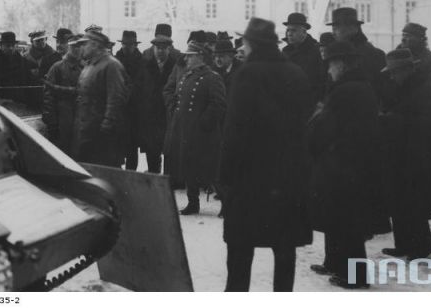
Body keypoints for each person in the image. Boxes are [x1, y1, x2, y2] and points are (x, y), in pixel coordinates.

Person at [220, 17, 313, 292]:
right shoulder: (296, 73)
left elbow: (234, 131)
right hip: (288, 178)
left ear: (252, 44)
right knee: (284, 248)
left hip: (249, 179)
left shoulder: (246, 75)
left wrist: (225, 177)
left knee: (240, 248)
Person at [306, 41, 383, 289]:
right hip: (349, 162)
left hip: (345, 163)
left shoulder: (346, 90)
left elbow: (326, 126)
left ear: (342, 64)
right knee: (337, 216)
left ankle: (355, 275)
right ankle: (334, 263)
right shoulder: (355, 86)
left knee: (347, 220)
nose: (328, 69)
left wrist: (313, 131)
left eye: (331, 64)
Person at [379, 48, 431, 260]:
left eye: (394, 72)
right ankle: (404, 244)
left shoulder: (423, 90)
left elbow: (422, 125)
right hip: (403, 153)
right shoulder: (405, 87)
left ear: (406, 70)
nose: (391, 76)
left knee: (413, 202)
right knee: (399, 199)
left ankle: (419, 247)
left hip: (418, 155)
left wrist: (390, 120)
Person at [164, 41, 226, 215]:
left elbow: (218, 104)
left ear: (200, 57)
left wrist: (204, 123)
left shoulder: (212, 77)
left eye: (190, 56)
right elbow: (177, 97)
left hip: (203, 133)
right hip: (185, 130)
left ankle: (227, 204)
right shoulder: (187, 75)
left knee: (210, 170)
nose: (186, 59)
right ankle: (193, 203)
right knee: (188, 167)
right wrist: (175, 114)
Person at [74, 30, 129, 167]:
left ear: (95, 45)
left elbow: (116, 98)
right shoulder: (89, 65)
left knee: (106, 171)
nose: (81, 48)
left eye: (84, 44)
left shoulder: (111, 65)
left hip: (102, 135)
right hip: (87, 131)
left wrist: (106, 127)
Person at [135, 33, 177, 173]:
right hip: (150, 117)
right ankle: (154, 175)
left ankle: (168, 179)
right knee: (152, 151)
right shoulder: (145, 65)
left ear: (169, 49)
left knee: (169, 151)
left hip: (167, 115)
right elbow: (139, 89)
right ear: (153, 49)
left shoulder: (175, 66)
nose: (160, 51)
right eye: (157, 48)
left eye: (163, 48)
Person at [328, 7, 386, 100]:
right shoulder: (368, 50)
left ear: (353, 28)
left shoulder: (357, 54)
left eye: (336, 29)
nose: (333, 33)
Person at [42, 34, 83, 156]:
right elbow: (48, 97)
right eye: (74, 46)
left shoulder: (87, 68)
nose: (77, 49)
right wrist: (52, 123)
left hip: (81, 121)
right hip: (63, 120)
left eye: (80, 46)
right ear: (69, 47)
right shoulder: (57, 68)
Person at [114, 31, 143, 170]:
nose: (127, 47)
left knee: (132, 146)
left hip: (135, 110)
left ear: (135, 45)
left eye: (130, 44)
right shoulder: (115, 60)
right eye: (125, 44)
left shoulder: (142, 61)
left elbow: (143, 84)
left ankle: (131, 173)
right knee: (117, 144)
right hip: (119, 109)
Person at [282, 13, 324, 103]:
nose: (289, 34)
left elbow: (321, 80)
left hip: (308, 100)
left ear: (304, 32)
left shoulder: (315, 51)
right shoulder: (285, 52)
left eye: (293, 30)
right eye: (288, 30)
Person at [0, 31, 31, 101]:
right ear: (1, 46)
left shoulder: (24, 63)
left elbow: (29, 85)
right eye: (8, 45)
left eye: (13, 45)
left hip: (20, 102)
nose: (11, 48)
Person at [399, 23, 431, 89]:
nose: (403, 39)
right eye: (403, 35)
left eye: (408, 36)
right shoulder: (398, 56)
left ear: (420, 39)